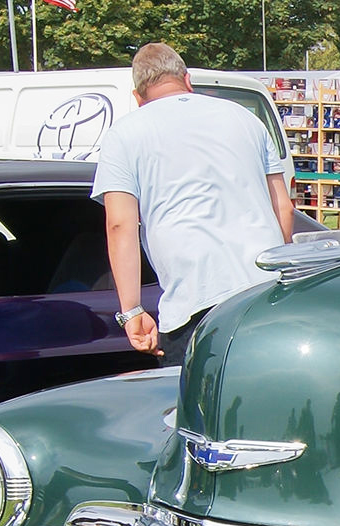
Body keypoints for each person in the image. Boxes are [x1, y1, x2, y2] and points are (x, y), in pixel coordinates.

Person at [94, 42, 294, 367]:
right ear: (187, 80)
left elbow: (120, 225)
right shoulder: (246, 119)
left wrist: (131, 311)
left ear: (137, 97)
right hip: (266, 293)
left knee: (200, 414)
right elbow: (282, 207)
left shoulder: (124, 134)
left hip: (195, 305)